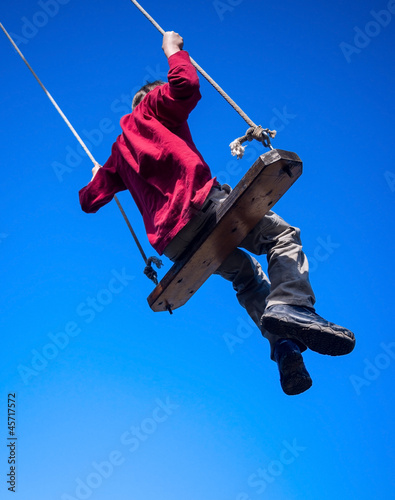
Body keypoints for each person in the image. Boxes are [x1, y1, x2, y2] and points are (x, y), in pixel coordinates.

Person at [79, 32, 355, 396]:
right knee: (282, 236)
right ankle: (292, 303)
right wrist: (172, 50)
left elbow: (89, 201)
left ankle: (286, 347)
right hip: (202, 208)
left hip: (175, 245)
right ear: (149, 99)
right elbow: (185, 84)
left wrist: (96, 178)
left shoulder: (117, 155)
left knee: (246, 278)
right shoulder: (152, 107)